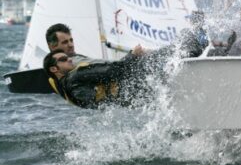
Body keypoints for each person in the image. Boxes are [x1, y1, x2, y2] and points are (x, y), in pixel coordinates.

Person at [43, 32, 206, 109]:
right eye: (63, 60)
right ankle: (204, 44)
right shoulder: (76, 75)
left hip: (134, 97)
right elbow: (114, 70)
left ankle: (204, 49)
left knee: (168, 58)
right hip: (136, 79)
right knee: (176, 48)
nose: (69, 58)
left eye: (67, 56)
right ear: (54, 69)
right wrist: (132, 55)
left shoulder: (67, 87)